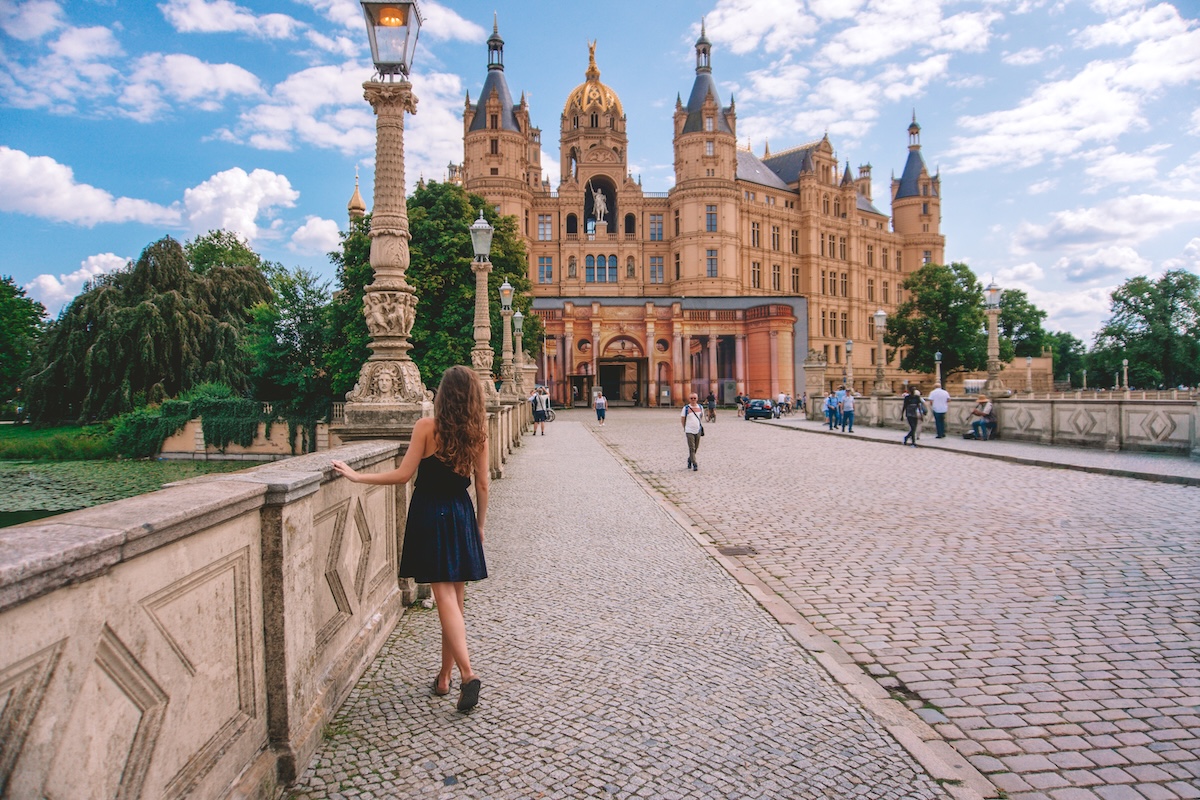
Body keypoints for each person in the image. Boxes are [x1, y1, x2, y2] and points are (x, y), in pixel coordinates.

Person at [331, 365, 488, 713]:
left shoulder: (427, 427)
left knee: (443, 596)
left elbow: (403, 474)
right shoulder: (478, 432)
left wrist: (358, 477)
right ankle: (444, 677)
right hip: (461, 513)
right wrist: (479, 525)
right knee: (455, 604)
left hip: (431, 512)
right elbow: (483, 484)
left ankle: (466, 673)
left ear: (443, 395)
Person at [681, 392, 705, 471]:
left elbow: (701, 418)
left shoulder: (700, 407)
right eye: (691, 398)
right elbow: (683, 419)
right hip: (689, 430)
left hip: (697, 429)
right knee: (692, 447)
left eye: (695, 398)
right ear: (689, 399)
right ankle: (695, 464)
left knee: (696, 447)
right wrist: (685, 427)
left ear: (697, 399)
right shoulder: (686, 408)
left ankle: (690, 459)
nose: (693, 400)